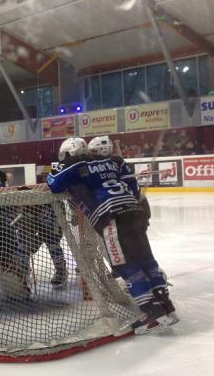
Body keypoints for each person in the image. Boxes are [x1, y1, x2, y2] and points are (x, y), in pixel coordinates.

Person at [47, 137, 177, 334]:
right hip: (135, 211)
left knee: (126, 265)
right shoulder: (114, 161)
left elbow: (54, 184)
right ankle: (166, 305)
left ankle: (152, 312)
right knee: (146, 259)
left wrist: (64, 168)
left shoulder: (75, 163)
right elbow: (132, 186)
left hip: (111, 217)